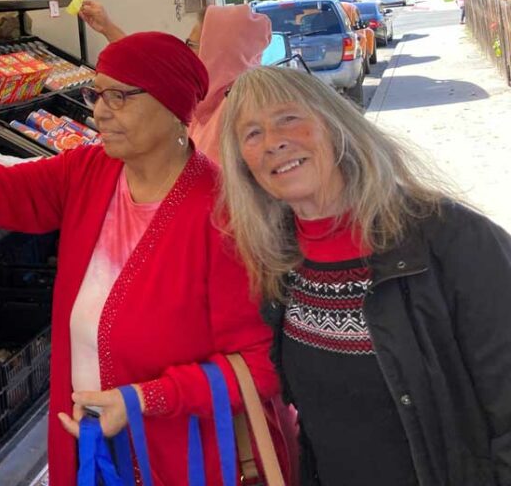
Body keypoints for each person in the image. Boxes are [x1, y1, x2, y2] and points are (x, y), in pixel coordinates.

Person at [0, 32, 286, 486]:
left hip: (178, 457)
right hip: (90, 446)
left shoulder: (223, 215)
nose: (99, 111)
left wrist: (145, 399)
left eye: (119, 96)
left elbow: (260, 365)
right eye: (96, 94)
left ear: (172, 105)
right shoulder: (90, 172)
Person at [218, 65, 511, 486]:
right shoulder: (281, 265)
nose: (273, 142)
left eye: (288, 118)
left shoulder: (453, 240)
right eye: (252, 133)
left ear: (335, 125)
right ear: (244, 165)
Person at [78, 0, 271, 163]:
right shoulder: (211, 95)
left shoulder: (243, 110)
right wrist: (108, 28)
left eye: (190, 44)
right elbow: (148, 69)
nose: (185, 53)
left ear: (217, 50)